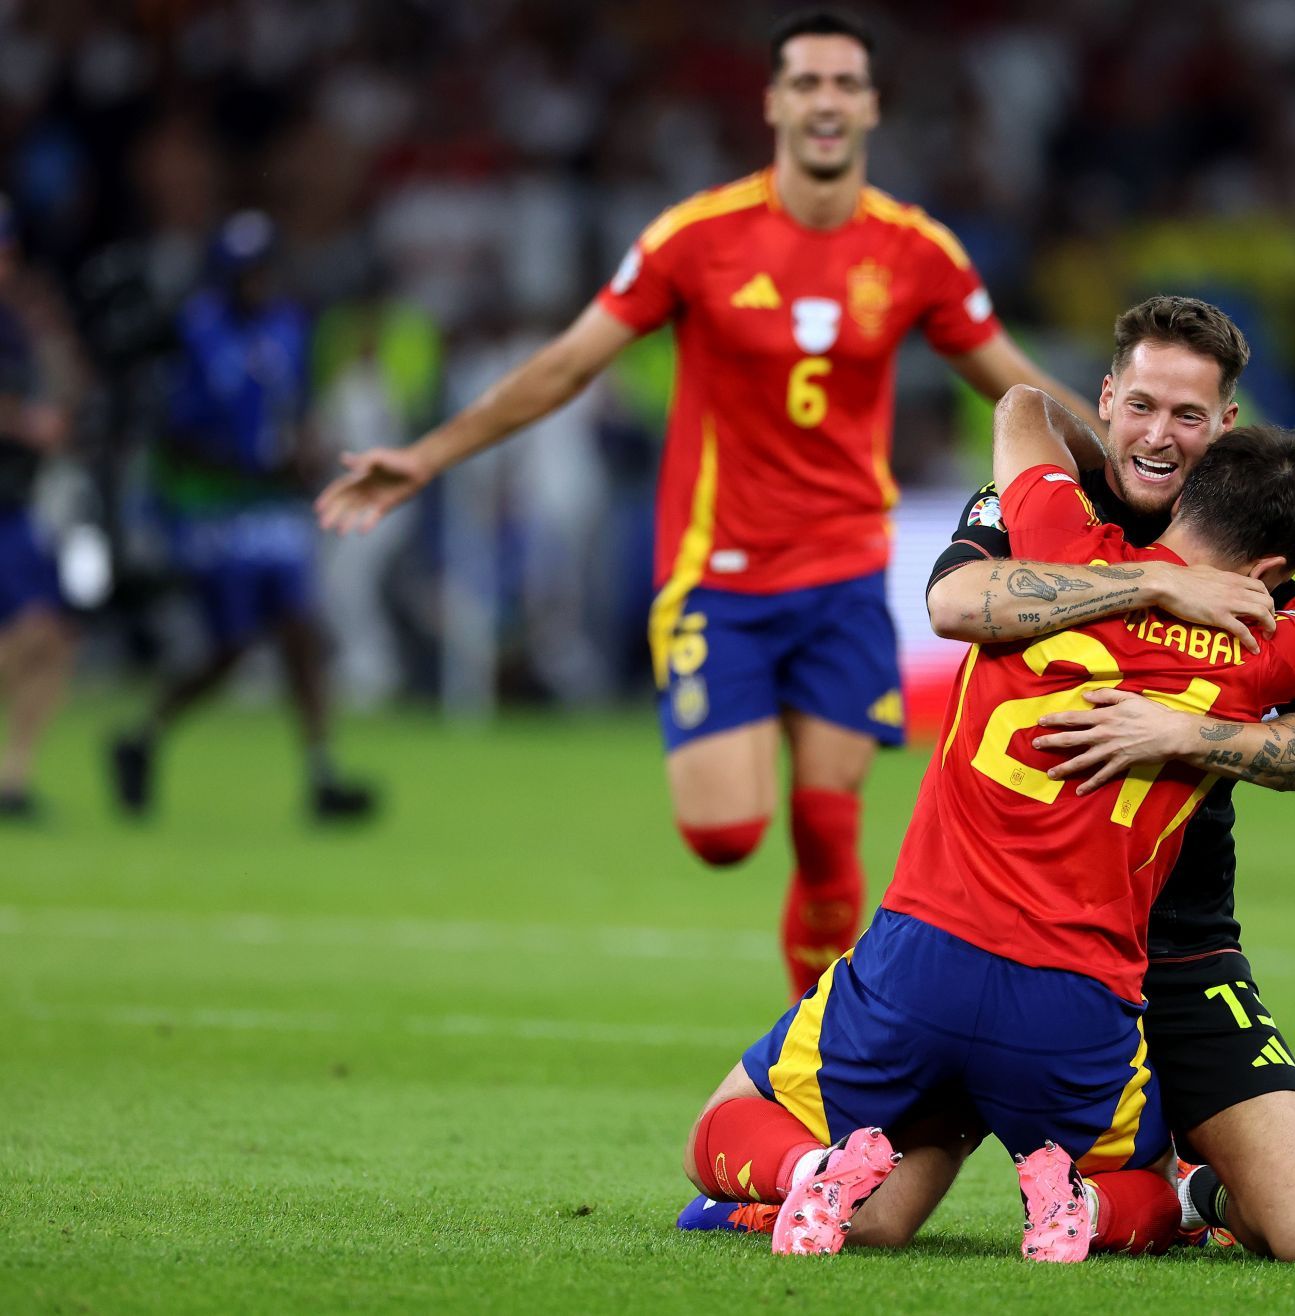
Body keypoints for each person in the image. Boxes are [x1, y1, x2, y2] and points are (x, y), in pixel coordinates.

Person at [314, 10, 1100, 997]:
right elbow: (565, 365)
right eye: (806, 83)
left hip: (846, 576)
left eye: (845, 84)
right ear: (772, 102)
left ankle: (820, 1050)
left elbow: (1016, 386)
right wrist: (426, 457)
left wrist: (1132, 465)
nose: (826, 101)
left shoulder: (916, 253)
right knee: (725, 833)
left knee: (827, 827)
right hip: (718, 579)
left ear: (871, 107)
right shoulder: (698, 239)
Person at [682, 391, 1295, 1261]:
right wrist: (1287, 526)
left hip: (925, 959)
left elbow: (1022, 405)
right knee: (1140, 1187)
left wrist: (1157, 481)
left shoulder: (1057, 544)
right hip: (1080, 999)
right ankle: (1081, 1212)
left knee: (724, 1126)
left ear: (1181, 498)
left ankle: (808, 1174)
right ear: (1267, 570)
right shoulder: (1263, 648)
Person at [109, 211, 376, 821]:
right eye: (245, 272)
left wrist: (306, 448)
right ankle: (142, 736)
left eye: (263, 269)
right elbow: (173, 434)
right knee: (228, 647)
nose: (257, 281)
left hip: (272, 506)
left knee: (300, 631)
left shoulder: (289, 327)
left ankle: (322, 772)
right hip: (212, 505)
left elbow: (298, 406)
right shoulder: (193, 332)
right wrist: (252, 465)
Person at [0, 195, 83, 819]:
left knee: (52, 636)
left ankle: (14, 778)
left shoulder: (16, 325)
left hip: (16, 504)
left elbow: (66, 387)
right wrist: (26, 423)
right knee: (39, 631)